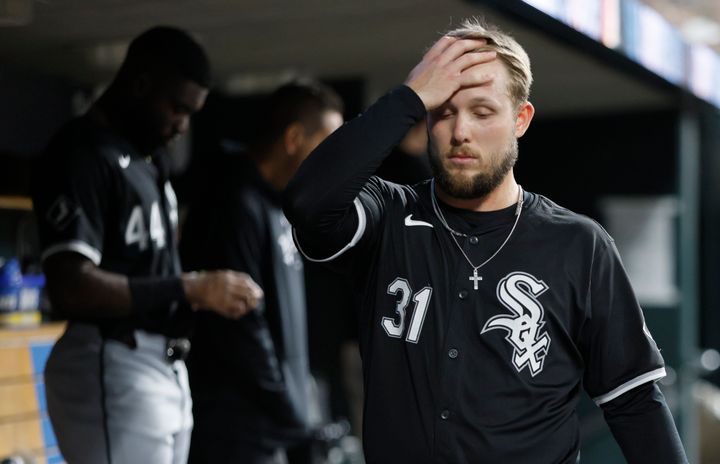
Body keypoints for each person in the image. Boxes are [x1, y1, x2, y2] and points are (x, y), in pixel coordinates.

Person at [283, 18, 689, 464]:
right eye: (443, 112)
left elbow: (634, 402)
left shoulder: (579, 244)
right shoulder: (389, 214)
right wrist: (410, 97)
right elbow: (307, 203)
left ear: (520, 119)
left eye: (482, 112)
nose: (460, 132)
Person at [31, 26, 263, 464]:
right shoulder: (81, 153)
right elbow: (71, 286)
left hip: (163, 366)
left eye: (191, 112)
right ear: (140, 84)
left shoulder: (147, 162)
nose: (182, 125)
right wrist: (191, 288)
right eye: (176, 108)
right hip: (113, 357)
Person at [179, 80, 344, 464]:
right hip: (234, 428)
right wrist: (290, 410)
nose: (334, 163)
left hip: (270, 425)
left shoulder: (279, 203)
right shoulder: (234, 201)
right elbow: (241, 331)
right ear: (293, 138)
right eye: (326, 145)